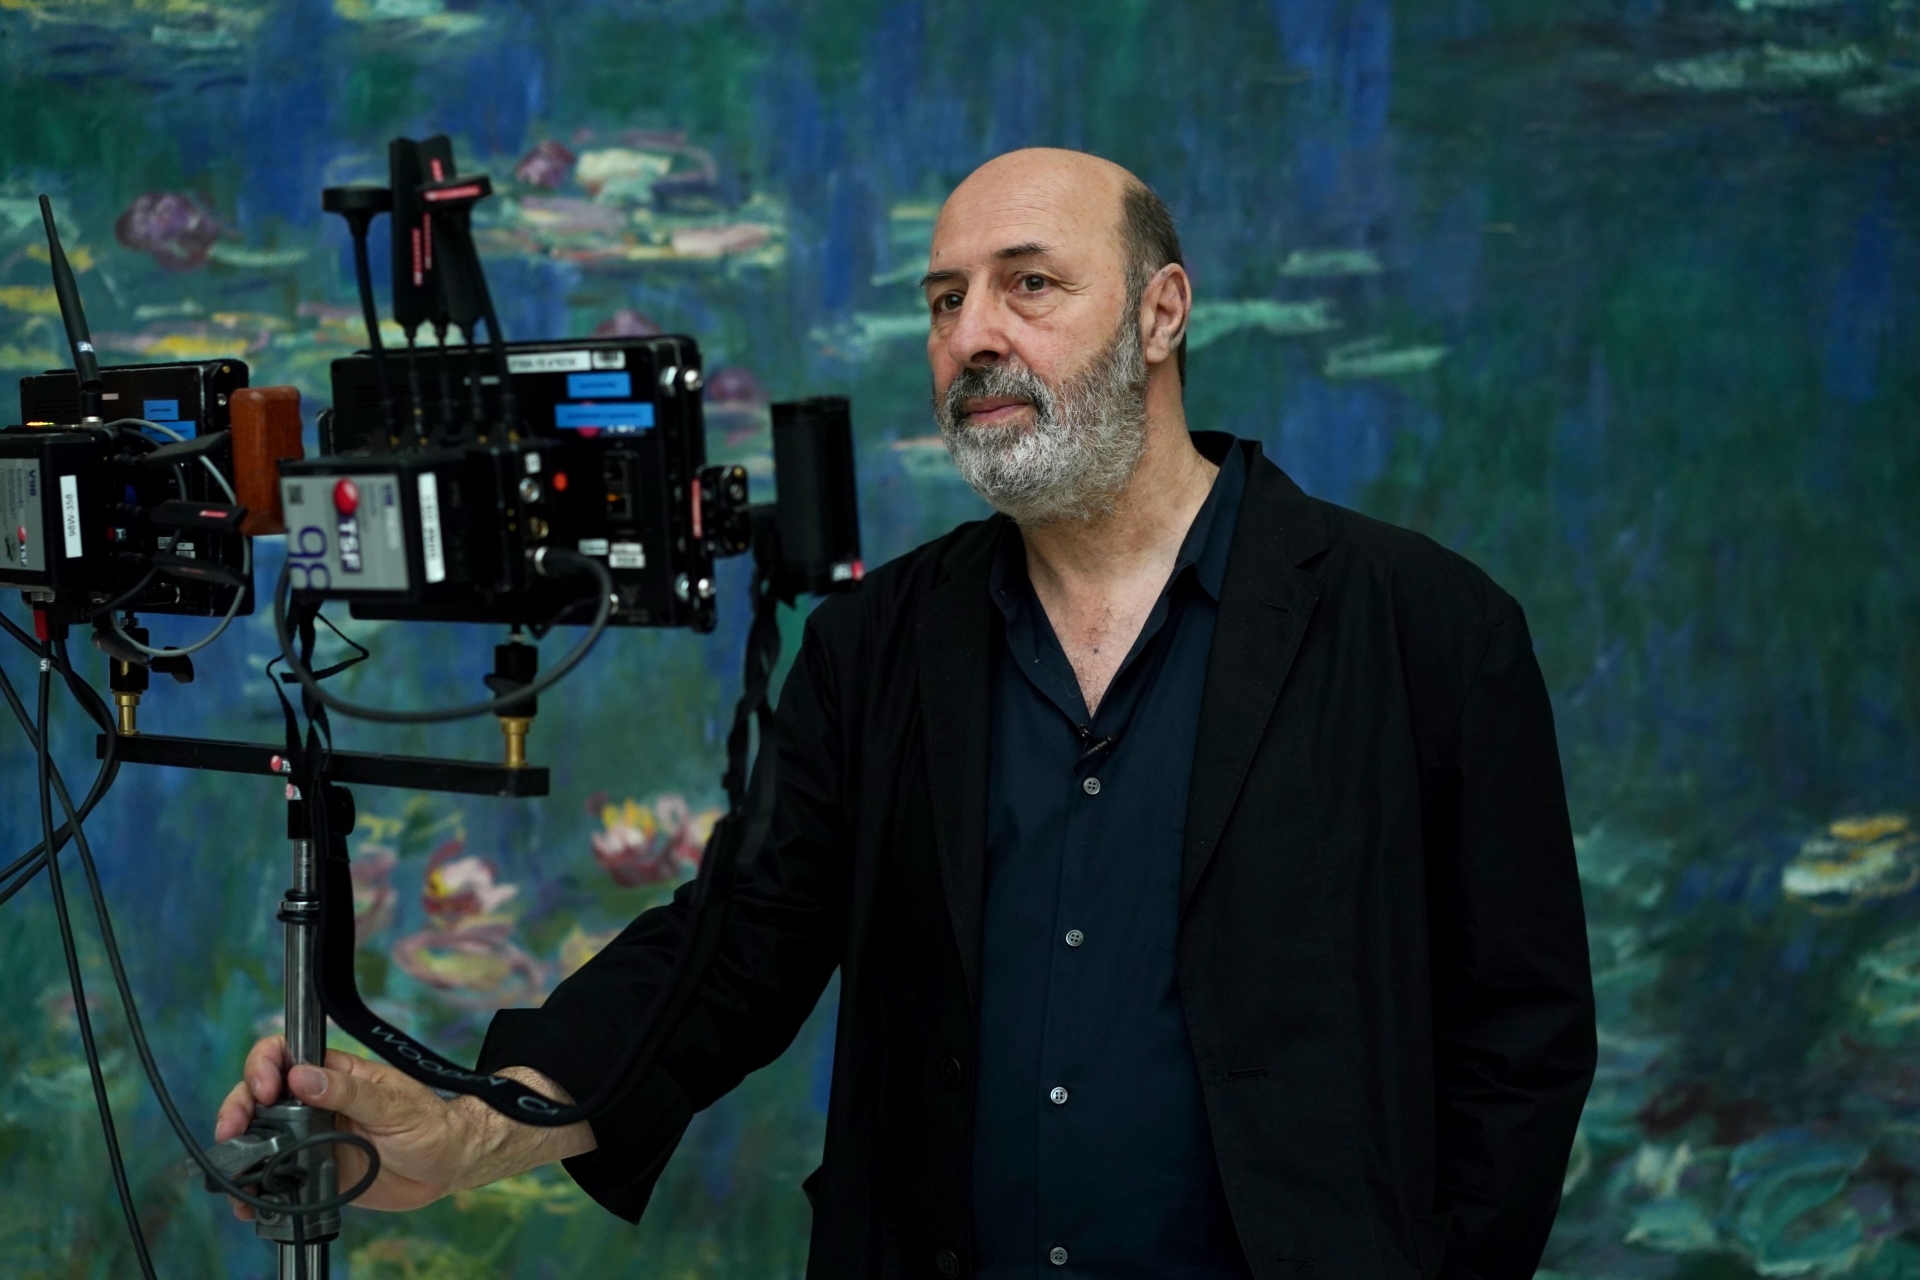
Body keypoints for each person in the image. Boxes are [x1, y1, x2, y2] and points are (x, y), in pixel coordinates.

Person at [217, 148, 1595, 1280]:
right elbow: (734, 950)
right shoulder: (876, 646)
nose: (972, 336)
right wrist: (475, 1123)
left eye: (1028, 285)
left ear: (1163, 313)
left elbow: (1522, 1042)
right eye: (945, 300)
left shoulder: (1427, 628)